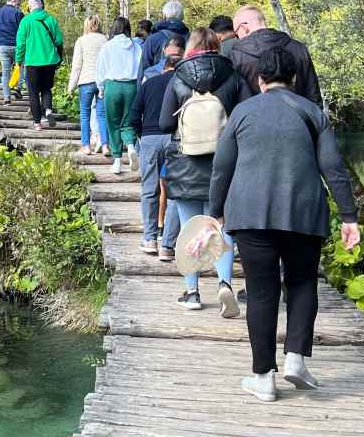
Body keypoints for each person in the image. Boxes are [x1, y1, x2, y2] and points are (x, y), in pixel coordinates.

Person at [209, 47, 360, 403]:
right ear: (294, 79)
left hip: (250, 215)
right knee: (303, 282)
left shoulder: (242, 113)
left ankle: (263, 377)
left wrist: (215, 213)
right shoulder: (312, 113)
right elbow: (334, 169)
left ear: (259, 80)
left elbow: (221, 169)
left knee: (261, 293)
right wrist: (350, 217)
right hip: (303, 213)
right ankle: (295, 360)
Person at [160, 27, 252, 317]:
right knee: (220, 227)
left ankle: (192, 292)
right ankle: (224, 282)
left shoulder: (178, 77)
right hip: (224, 166)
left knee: (191, 229)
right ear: (217, 46)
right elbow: (249, 116)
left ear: (190, 47)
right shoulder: (234, 77)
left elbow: (164, 123)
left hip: (186, 165)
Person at [129, 54, 180, 253]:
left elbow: (133, 114)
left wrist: (142, 135)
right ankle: (168, 243)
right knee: (175, 192)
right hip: (174, 139)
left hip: (150, 139)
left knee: (149, 190)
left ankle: (150, 239)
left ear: (163, 68)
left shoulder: (149, 84)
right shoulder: (183, 85)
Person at [230, 5, 322, 105]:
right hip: (300, 117)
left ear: (244, 27)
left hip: (256, 118)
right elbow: (313, 93)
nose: (237, 38)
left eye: (236, 33)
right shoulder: (298, 48)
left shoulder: (236, 57)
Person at [96, 17, 142, 175]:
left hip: (113, 86)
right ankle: (130, 146)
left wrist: (100, 87)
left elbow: (101, 69)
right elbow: (141, 68)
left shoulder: (107, 46)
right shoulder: (136, 46)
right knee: (128, 121)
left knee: (113, 122)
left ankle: (116, 161)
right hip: (132, 86)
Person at [15, 0, 64, 130]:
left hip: (32, 62)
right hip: (50, 61)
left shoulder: (26, 21)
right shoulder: (51, 20)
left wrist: (18, 60)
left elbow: (21, 44)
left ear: (30, 8)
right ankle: (48, 110)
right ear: (42, 6)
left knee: (33, 92)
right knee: (46, 88)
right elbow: (59, 41)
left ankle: (37, 123)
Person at [68, 15, 109, 155]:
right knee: (102, 115)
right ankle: (105, 145)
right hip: (102, 81)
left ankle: (85, 146)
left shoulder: (81, 41)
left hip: (86, 80)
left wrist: (71, 86)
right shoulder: (105, 40)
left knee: (85, 114)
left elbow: (77, 65)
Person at [139, 0, 189, 83]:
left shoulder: (153, 39)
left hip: (156, 85)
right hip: (183, 86)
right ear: (182, 17)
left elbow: (143, 68)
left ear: (164, 16)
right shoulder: (191, 38)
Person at [0, 0, 25, 104]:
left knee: (5, 73)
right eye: (18, 4)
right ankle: (17, 88)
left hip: (2, 46)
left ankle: (6, 98)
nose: (19, 7)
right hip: (17, 46)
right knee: (19, 67)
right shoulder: (18, 13)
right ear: (14, 2)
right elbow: (23, 30)